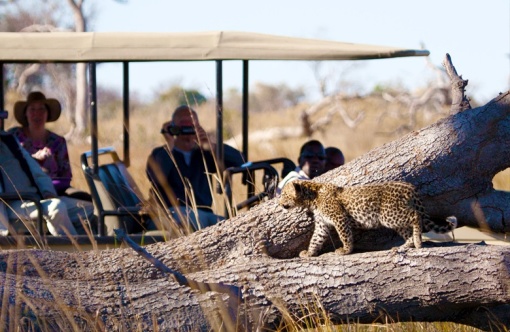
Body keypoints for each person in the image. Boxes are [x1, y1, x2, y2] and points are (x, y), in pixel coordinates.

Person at [146, 105, 245, 231]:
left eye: (191, 125)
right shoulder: (160, 153)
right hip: (172, 213)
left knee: (234, 228)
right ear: (173, 127)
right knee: (191, 219)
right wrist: (169, 144)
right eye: (183, 125)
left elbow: (241, 161)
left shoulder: (204, 154)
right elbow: (156, 177)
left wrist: (210, 146)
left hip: (204, 212)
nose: (187, 131)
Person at [0, 114, 93, 236]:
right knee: (56, 208)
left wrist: (48, 192)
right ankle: (72, 252)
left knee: (88, 209)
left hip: (36, 198)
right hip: (12, 206)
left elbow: (37, 172)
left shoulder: (9, 140)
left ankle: (95, 247)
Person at [9, 91, 92, 201]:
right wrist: (34, 159)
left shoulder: (58, 141)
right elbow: (9, 167)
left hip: (57, 189)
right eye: (32, 109)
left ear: (47, 113)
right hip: (24, 190)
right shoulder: (14, 136)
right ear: (26, 113)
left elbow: (66, 176)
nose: (37, 114)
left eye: (41, 109)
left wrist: (50, 185)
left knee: (88, 200)